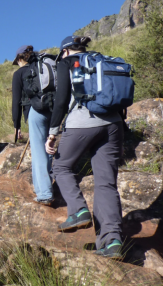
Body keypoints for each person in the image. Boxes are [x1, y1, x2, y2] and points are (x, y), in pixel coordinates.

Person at [45, 36, 124, 259]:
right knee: (106, 183)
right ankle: (112, 243)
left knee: (60, 166)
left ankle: (79, 210)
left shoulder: (66, 63)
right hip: (114, 124)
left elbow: (61, 101)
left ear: (66, 51)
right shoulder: (101, 60)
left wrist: (52, 133)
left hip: (82, 123)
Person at [11, 45, 54, 206]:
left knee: (38, 153)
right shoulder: (43, 68)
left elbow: (16, 102)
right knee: (48, 149)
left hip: (36, 112)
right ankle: (43, 188)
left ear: (20, 59)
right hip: (54, 110)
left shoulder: (19, 73)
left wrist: (17, 125)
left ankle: (45, 194)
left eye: (18, 61)